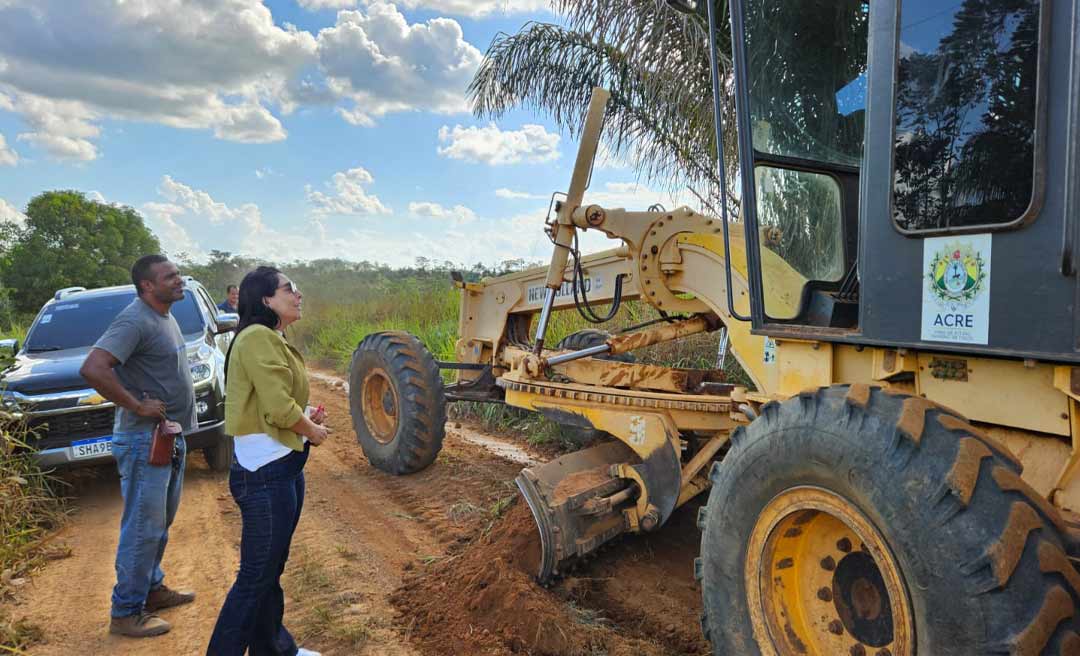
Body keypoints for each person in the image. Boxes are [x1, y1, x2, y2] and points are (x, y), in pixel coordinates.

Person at [207, 266, 329, 656]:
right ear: (265, 299)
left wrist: (306, 413)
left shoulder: (268, 336)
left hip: (281, 465)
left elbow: (268, 400)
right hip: (265, 473)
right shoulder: (258, 337)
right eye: (289, 289)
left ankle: (274, 650)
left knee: (269, 570)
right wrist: (311, 430)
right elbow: (278, 408)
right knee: (255, 576)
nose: (298, 295)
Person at [80, 254, 197, 638]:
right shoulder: (134, 319)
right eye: (170, 276)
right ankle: (126, 612)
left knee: (159, 524)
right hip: (143, 439)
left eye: (178, 274)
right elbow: (94, 367)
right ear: (148, 285)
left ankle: (151, 589)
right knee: (143, 528)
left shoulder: (163, 315)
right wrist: (136, 404)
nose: (179, 280)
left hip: (166, 437)